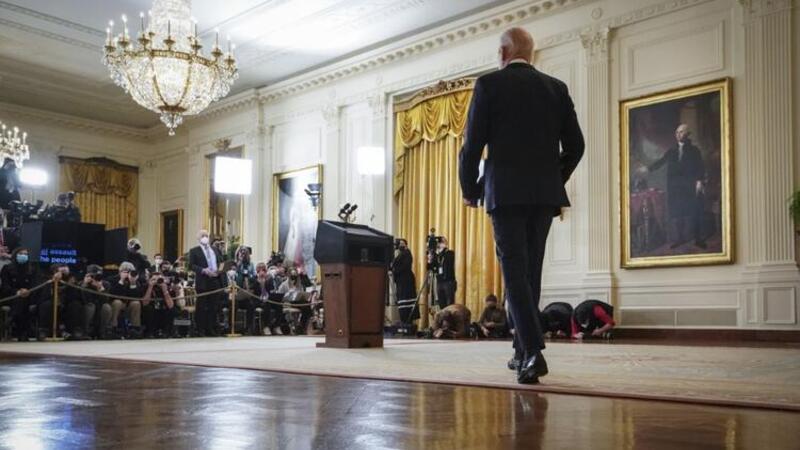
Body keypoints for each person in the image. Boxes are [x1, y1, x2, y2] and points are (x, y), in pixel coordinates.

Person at [458, 27, 585, 384]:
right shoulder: (556, 88)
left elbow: (472, 146)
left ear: (503, 52)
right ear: (530, 53)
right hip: (544, 195)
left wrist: (470, 189)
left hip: (505, 193)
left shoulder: (488, 85)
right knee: (530, 274)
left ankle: (533, 351)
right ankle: (520, 352)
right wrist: (553, 178)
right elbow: (576, 146)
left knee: (515, 275)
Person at [638, 124, 707, 249]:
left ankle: (698, 238)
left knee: (694, 210)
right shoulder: (672, 150)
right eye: (677, 132)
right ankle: (680, 238)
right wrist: (648, 168)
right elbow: (661, 161)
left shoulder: (694, 150)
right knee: (677, 212)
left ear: (687, 134)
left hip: (689, 185)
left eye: (681, 132)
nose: (678, 134)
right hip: (675, 187)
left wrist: (699, 181)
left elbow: (700, 166)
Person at [189, 230, 225, 337]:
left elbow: (221, 262)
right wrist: (203, 270)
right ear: (198, 238)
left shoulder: (215, 249)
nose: (205, 237)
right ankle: (200, 329)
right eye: (202, 236)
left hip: (215, 280)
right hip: (203, 281)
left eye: (206, 235)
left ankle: (211, 328)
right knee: (201, 306)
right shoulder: (194, 251)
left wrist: (220, 270)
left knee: (214, 306)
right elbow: (191, 265)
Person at [1, 248, 39, 341]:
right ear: (15, 255)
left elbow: (35, 284)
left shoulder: (32, 269)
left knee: (22, 301)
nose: (23, 256)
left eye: (25, 254)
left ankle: (11, 320)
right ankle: (22, 332)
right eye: (21, 254)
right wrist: (17, 292)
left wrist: (28, 291)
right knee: (20, 301)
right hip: (11, 297)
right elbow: (5, 286)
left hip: (28, 296)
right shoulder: (7, 269)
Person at [106, 262, 146, 338]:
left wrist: (132, 283)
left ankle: (135, 328)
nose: (127, 273)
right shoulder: (112, 279)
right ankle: (113, 327)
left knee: (136, 303)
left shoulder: (136, 281)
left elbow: (136, 297)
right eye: (125, 271)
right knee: (117, 302)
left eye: (129, 271)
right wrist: (121, 280)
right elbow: (114, 294)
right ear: (120, 271)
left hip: (128, 305)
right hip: (115, 304)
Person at [141, 270, 177, 338]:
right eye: (154, 279)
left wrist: (164, 290)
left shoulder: (167, 287)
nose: (157, 281)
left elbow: (171, 305)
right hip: (151, 313)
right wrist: (150, 287)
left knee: (172, 310)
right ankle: (150, 332)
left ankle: (166, 332)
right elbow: (145, 303)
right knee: (148, 309)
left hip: (163, 311)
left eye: (159, 279)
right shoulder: (146, 287)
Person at [392, 239, 418, 324]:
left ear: (406, 245)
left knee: (406, 301)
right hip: (400, 281)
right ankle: (404, 320)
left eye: (402, 243)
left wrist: (395, 270)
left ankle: (407, 320)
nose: (400, 245)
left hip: (406, 281)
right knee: (401, 301)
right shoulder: (399, 254)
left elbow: (405, 266)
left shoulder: (407, 253)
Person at [431, 237, 456, 310]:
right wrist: (433, 255)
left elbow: (449, 261)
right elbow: (432, 267)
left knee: (449, 303)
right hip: (439, 281)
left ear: (445, 244)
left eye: (440, 243)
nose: (438, 244)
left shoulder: (450, 253)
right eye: (438, 243)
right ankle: (443, 316)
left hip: (448, 282)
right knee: (441, 303)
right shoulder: (437, 255)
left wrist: (442, 251)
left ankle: (450, 317)